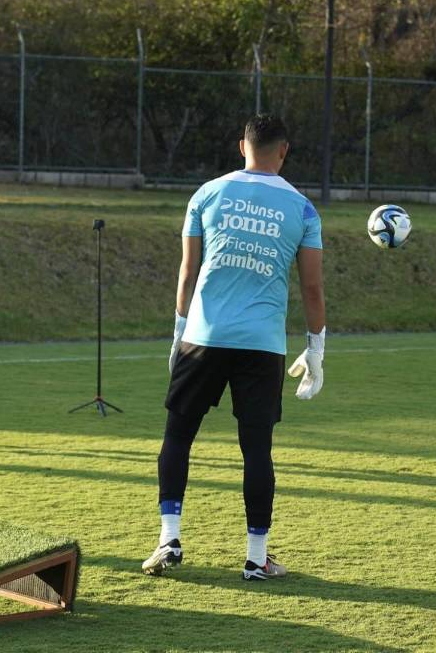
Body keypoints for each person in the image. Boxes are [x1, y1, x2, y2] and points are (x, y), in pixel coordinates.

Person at [142, 114, 326, 581]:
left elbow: (187, 271)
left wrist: (179, 331)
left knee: (178, 436)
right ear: (283, 151)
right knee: (256, 450)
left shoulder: (207, 192)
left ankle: (169, 537)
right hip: (262, 346)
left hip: (202, 336)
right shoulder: (303, 209)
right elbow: (312, 288)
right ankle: (255, 557)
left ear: (240, 145)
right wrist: (316, 348)